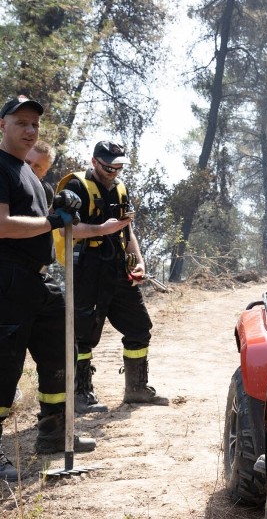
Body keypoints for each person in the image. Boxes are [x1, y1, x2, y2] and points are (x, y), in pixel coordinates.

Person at [0, 95, 96, 481]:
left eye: (35, 125)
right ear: (2, 126)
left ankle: (53, 431)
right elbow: (3, 225)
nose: (29, 130)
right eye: (21, 122)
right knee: (4, 366)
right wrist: (52, 220)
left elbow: (49, 221)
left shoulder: (29, 174)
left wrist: (59, 206)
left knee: (61, 349)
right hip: (6, 278)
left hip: (37, 278)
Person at [61, 140, 168, 412]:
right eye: (108, 166)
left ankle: (136, 389)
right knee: (83, 335)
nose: (113, 172)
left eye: (118, 166)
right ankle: (81, 394)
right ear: (94, 161)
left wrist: (140, 263)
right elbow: (65, 231)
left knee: (139, 326)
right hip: (87, 269)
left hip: (118, 269)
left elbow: (126, 230)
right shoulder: (75, 186)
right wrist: (101, 230)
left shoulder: (120, 188)